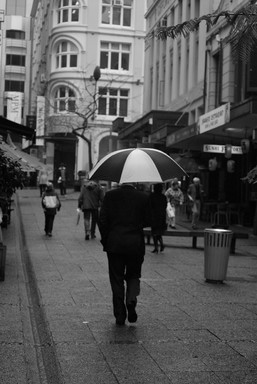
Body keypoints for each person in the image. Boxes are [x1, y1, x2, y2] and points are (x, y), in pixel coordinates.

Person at [98, 183, 150, 326]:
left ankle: (120, 314)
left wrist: (106, 239)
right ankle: (131, 300)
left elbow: (102, 220)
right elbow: (148, 220)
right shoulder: (143, 197)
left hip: (115, 243)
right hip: (135, 243)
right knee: (133, 274)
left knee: (116, 279)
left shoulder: (110, 195)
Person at [149, 183, 167, 253]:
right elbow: (165, 206)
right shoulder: (163, 197)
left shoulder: (152, 196)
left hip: (154, 216)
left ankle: (156, 247)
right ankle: (161, 245)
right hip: (161, 216)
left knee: (154, 232)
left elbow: (149, 206)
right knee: (159, 232)